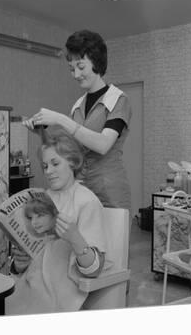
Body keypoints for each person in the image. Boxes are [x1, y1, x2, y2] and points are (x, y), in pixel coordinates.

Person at [23, 29, 132, 209]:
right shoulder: (78, 105)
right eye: (72, 69)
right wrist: (41, 132)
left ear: (96, 62)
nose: (75, 75)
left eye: (81, 67)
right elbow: (70, 150)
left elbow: (103, 145)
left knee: (108, 237)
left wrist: (60, 119)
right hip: (80, 188)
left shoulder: (118, 99)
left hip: (109, 190)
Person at [5, 129, 108, 315]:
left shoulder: (87, 202)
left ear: (73, 162)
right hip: (27, 285)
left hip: (58, 294)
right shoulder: (42, 198)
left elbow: (94, 269)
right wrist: (20, 262)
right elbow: (29, 259)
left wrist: (75, 237)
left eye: (55, 163)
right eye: (45, 166)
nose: (49, 171)